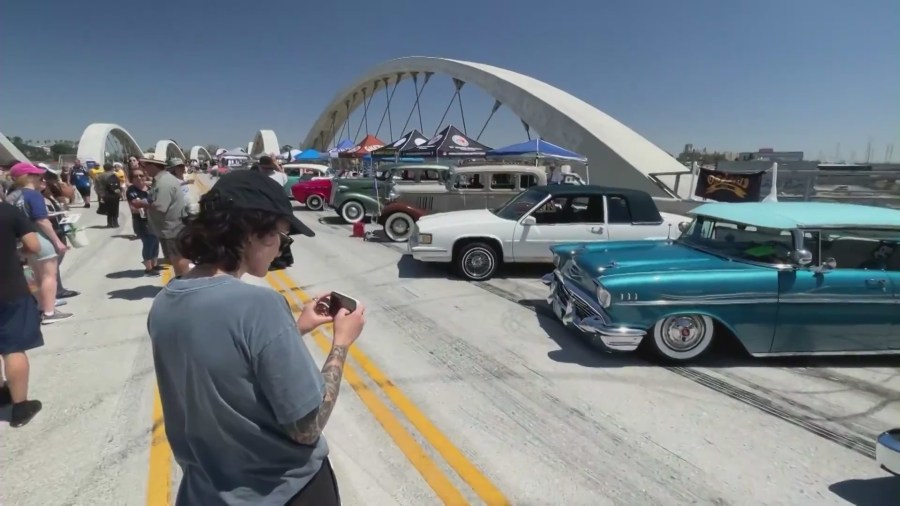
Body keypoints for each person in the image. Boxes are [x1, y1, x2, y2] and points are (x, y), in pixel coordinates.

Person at [148, 170, 365, 505]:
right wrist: (341, 344)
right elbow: (306, 427)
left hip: (204, 492)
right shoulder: (259, 305)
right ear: (253, 232)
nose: (281, 246)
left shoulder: (166, 301)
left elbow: (230, 366)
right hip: (283, 491)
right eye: (282, 234)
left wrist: (297, 329)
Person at [4, 163, 72, 324]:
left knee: (34, 276)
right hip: (39, 238)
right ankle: (49, 312)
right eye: (37, 175)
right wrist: (57, 241)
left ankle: (42, 307)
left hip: (21, 241)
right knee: (49, 276)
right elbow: (42, 221)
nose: (40, 178)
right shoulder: (33, 195)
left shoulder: (11, 196)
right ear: (29, 177)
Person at [0, 201, 45, 427]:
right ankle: (20, 406)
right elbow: (33, 245)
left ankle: (1, 394)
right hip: (8, 288)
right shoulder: (8, 211)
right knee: (13, 348)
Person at [142, 158, 191, 276]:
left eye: (145, 166)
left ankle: (184, 283)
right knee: (174, 258)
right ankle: (182, 281)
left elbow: (160, 206)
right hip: (169, 228)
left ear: (153, 166)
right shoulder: (162, 180)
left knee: (177, 259)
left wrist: (142, 204)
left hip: (171, 229)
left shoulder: (164, 182)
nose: (144, 169)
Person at [40, 170, 79, 300]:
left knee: (56, 262)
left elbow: (70, 195)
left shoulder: (50, 195)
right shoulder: (39, 197)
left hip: (59, 228)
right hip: (52, 231)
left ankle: (57, 288)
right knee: (52, 263)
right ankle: (57, 290)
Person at [125, 168, 161, 276]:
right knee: (148, 243)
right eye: (136, 176)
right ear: (132, 179)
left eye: (141, 175)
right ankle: (148, 268)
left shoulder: (150, 188)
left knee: (155, 242)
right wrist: (151, 205)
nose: (139, 178)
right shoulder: (132, 190)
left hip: (154, 220)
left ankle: (154, 264)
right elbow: (136, 204)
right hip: (142, 222)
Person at [98, 162, 123, 228]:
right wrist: (120, 193)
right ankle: (115, 223)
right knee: (115, 208)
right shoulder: (113, 175)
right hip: (113, 194)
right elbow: (116, 186)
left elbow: (96, 186)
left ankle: (109, 223)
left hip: (103, 194)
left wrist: (100, 194)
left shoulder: (99, 176)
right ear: (111, 168)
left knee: (108, 209)